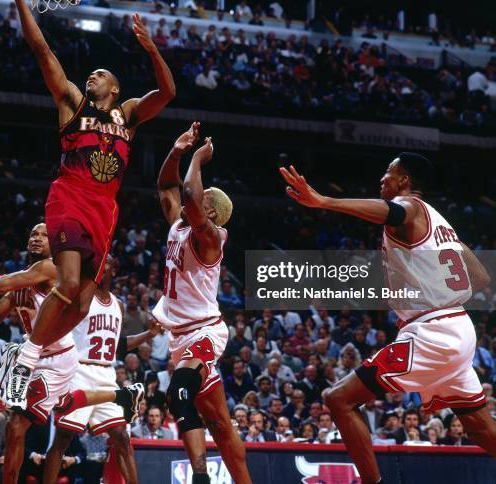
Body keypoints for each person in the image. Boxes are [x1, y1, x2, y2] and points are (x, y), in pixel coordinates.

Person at [0, 0, 176, 410]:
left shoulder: (128, 114)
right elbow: (41, 50)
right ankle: (30, 357)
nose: (91, 77)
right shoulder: (73, 103)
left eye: (99, 74)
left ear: (115, 88)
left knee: (82, 305)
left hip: (105, 210)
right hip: (70, 196)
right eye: (91, 74)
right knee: (69, 280)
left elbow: (168, 92)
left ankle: (29, 351)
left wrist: (153, 50)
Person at [280, 152, 496, 483]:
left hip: (434, 334)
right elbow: (480, 277)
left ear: (405, 181)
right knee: (479, 425)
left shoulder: (410, 206)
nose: (383, 178)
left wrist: (323, 200)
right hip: (457, 326)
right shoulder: (442, 224)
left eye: (389, 173)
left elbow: (393, 211)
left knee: (337, 400)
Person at [0, 224, 139, 484]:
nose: (36, 238)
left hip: (57, 357)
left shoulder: (51, 268)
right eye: (32, 234)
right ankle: (123, 394)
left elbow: (1, 284)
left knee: (19, 426)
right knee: (22, 426)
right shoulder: (23, 280)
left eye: (43, 235)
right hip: (35, 357)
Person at [151, 123, 251, 484]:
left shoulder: (210, 239)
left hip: (205, 332)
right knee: (221, 424)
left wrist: (196, 158)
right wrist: (176, 151)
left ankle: (200, 478)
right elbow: (167, 185)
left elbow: (191, 190)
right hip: (180, 337)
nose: (193, 198)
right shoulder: (178, 224)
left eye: (202, 201)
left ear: (208, 215)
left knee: (179, 392)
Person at [45, 257, 157, 484]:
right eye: (96, 262)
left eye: (105, 262)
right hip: (79, 372)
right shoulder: (80, 296)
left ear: (113, 270)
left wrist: (149, 334)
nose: (98, 266)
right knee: (63, 438)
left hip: (106, 374)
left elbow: (118, 345)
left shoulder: (119, 304)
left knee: (122, 438)